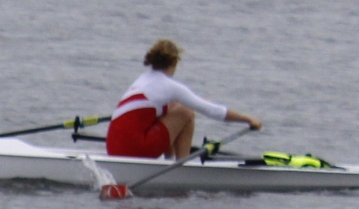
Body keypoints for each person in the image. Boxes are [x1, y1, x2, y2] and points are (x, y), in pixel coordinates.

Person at [105, 39, 262, 161]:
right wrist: (248, 119)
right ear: (173, 63)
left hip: (112, 147)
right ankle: (182, 165)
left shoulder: (142, 80)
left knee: (172, 107)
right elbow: (211, 111)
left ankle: (169, 160)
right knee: (186, 111)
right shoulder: (168, 86)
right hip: (134, 150)